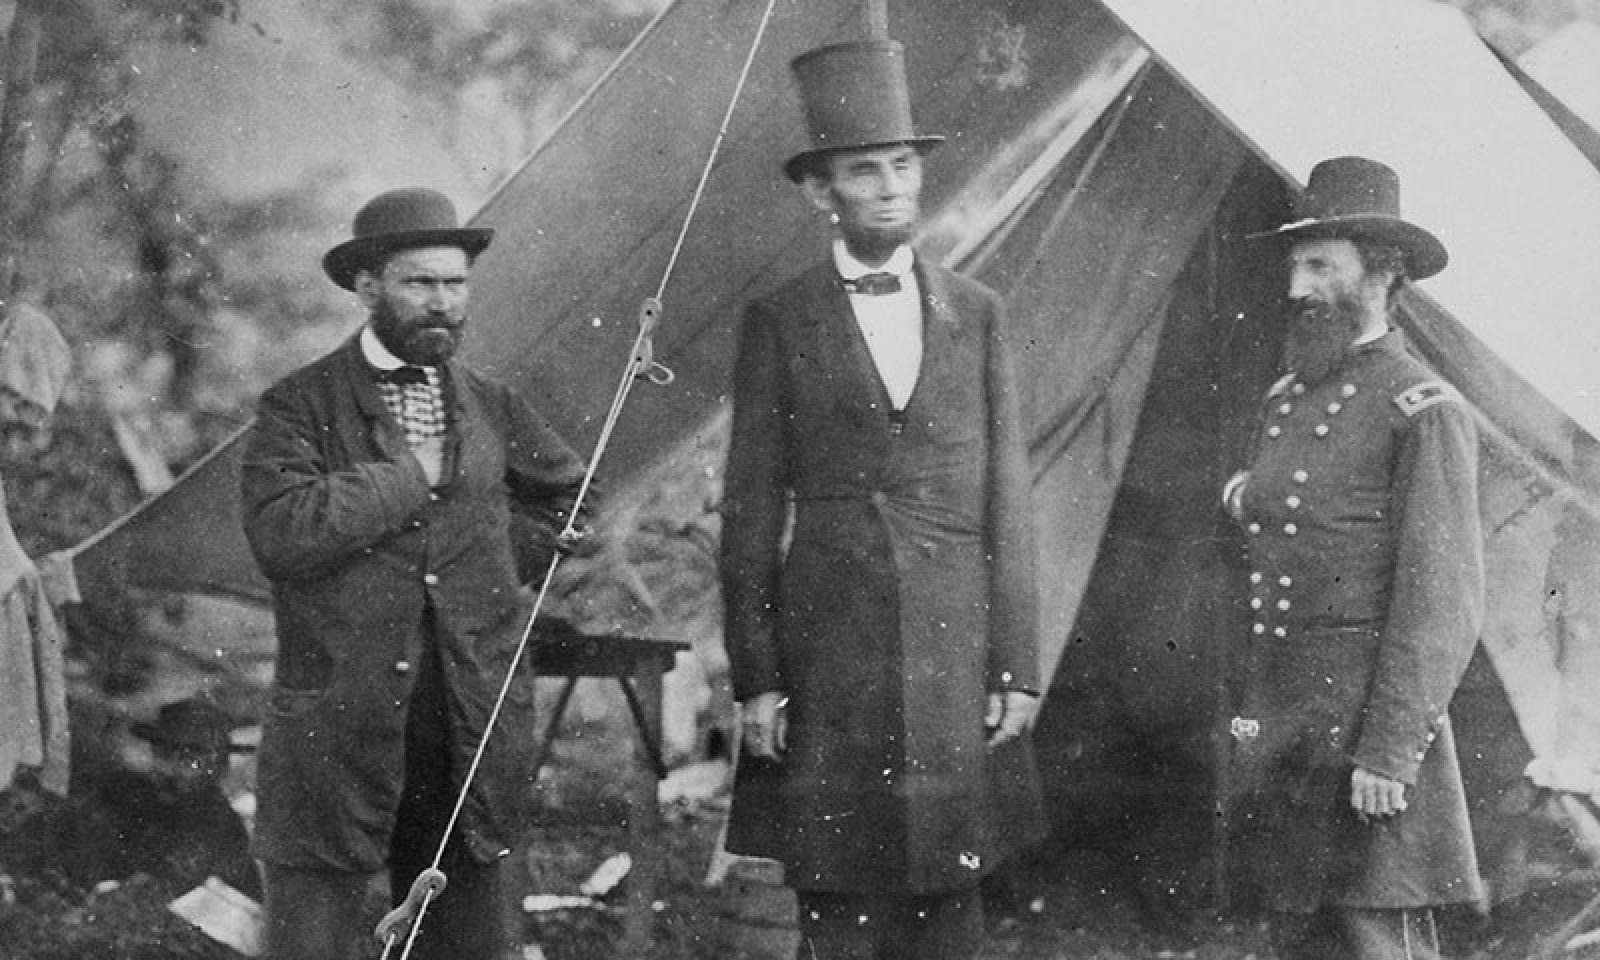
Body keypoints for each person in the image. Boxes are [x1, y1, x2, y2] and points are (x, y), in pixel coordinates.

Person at [719, 38, 1045, 960]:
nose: (894, 188)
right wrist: (759, 678)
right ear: (820, 191)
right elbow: (749, 512)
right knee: (838, 894)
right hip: (829, 646)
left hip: (954, 644)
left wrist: (1017, 668)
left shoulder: (978, 313)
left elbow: (1010, 501)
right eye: (866, 171)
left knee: (949, 895)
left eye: (903, 166)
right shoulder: (780, 319)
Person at [239, 187, 590, 960]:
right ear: (369, 288)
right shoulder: (298, 404)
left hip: (465, 729)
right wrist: (411, 476)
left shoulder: (493, 403)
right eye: (419, 283)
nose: (442, 303)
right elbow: (280, 533)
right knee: (312, 943)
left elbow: (570, 492)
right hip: (338, 729)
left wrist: (494, 562)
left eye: (455, 284)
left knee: (468, 941)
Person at [1222, 156, 1485, 959]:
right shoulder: (1284, 399)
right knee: (1298, 939)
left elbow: (1441, 603)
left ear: (1383, 271)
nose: (1297, 287)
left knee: (1378, 939)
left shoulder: (1423, 409)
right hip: (1287, 728)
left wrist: (1389, 753)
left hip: (1364, 732)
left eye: (1320, 266)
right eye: (1295, 266)